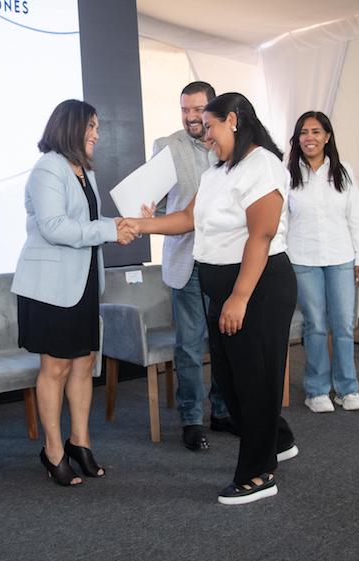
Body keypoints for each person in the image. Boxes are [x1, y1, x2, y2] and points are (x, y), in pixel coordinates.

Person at [123, 92, 298, 505]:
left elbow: (262, 235)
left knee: (253, 385)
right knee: (233, 385)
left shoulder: (263, 166)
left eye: (211, 127)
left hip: (259, 289)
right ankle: (280, 437)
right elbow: (187, 219)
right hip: (228, 292)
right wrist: (141, 224)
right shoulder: (218, 170)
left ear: (233, 121)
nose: (206, 137)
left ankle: (258, 473)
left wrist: (238, 297)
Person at [11, 99, 135, 486]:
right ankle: (52, 451)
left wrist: (125, 223)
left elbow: (89, 221)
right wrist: (110, 231)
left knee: (84, 364)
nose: (97, 134)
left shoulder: (83, 169)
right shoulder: (48, 167)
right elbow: (55, 227)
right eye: (92, 127)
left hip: (80, 284)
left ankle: (80, 442)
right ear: (71, 127)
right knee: (56, 367)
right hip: (49, 289)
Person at [148, 81, 232, 452]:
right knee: (190, 343)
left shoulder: (228, 145)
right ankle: (191, 420)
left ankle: (223, 412)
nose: (190, 117)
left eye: (197, 110)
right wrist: (147, 210)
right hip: (186, 259)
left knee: (224, 341)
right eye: (184, 110)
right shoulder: (167, 148)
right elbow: (158, 205)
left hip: (224, 257)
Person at [286, 111, 359, 413]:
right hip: (303, 259)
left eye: (316, 132)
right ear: (297, 139)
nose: (310, 138)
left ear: (327, 137)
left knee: (344, 325)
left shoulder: (344, 171)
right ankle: (317, 390)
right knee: (317, 325)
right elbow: (282, 221)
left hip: (341, 258)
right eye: (304, 132)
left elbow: (357, 219)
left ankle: (348, 389)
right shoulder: (288, 174)